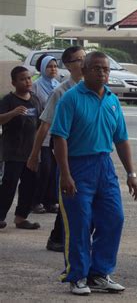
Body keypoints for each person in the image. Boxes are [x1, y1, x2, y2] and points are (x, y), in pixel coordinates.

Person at [51, 51, 137, 295]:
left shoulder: (112, 100)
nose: (102, 73)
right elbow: (59, 138)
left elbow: (121, 139)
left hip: (104, 166)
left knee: (114, 218)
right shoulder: (71, 98)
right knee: (79, 224)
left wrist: (131, 174)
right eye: (97, 68)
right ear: (85, 69)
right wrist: (66, 174)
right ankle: (77, 276)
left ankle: (99, 273)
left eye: (106, 69)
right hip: (77, 167)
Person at [27, 46, 86, 252]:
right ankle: (58, 237)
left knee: (81, 197)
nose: (83, 63)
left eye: (85, 58)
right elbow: (45, 124)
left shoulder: (94, 88)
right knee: (70, 195)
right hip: (66, 150)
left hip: (88, 153)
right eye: (79, 60)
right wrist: (34, 154)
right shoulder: (61, 91)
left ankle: (67, 237)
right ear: (69, 65)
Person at [0, 66, 42, 230]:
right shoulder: (8, 100)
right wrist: (13, 113)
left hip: (31, 152)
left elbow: (40, 124)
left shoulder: (35, 99)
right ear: (13, 82)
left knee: (30, 185)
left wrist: (38, 149)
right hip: (12, 152)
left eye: (29, 78)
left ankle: (21, 218)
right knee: (9, 185)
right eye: (23, 79)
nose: (27, 81)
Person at [31, 55, 60, 214]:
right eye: (49, 66)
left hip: (56, 133)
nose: (53, 69)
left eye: (55, 66)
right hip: (42, 133)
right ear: (42, 68)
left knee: (55, 169)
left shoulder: (58, 85)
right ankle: (35, 201)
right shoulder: (35, 86)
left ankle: (51, 201)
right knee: (44, 168)